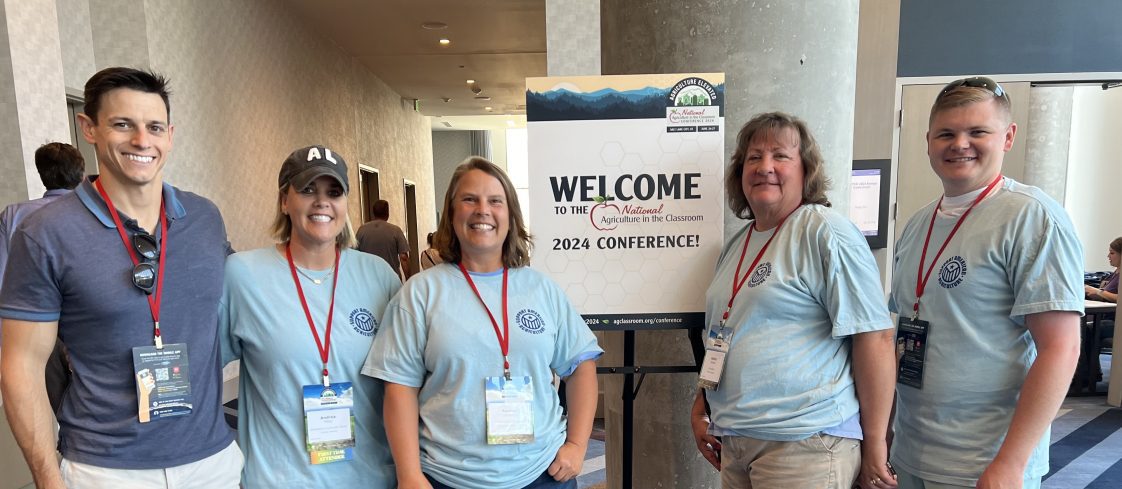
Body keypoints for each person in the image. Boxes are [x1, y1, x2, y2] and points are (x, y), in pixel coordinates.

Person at [0, 67, 241, 489]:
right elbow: (21, 366)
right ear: (88, 128)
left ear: (170, 134)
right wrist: (47, 478)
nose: (142, 141)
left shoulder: (204, 218)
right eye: (122, 124)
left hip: (211, 461)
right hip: (105, 470)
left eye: (154, 127)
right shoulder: (45, 233)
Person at [889, 77, 1083, 489]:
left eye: (978, 131)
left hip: (985, 462)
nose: (960, 143)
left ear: (1007, 137)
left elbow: (1061, 348)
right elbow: (903, 333)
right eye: (946, 133)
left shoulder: (1032, 218)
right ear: (928, 141)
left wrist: (1011, 463)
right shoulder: (917, 224)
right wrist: (884, 431)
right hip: (911, 450)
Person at [363, 156, 602, 489]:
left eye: (495, 201)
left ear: (510, 215)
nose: (482, 210)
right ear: (451, 212)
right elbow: (399, 387)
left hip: (541, 475)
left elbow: (581, 365)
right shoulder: (420, 293)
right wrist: (409, 475)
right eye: (469, 199)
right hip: (448, 478)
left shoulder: (541, 289)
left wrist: (577, 445)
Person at [688, 112, 897, 489]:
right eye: (753, 157)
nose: (765, 167)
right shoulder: (738, 243)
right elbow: (731, 333)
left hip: (805, 442)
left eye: (780, 156)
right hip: (737, 441)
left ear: (806, 170)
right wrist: (704, 402)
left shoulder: (825, 231)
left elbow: (875, 337)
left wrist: (876, 444)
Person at [219, 145, 400, 487]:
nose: (322, 202)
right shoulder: (243, 275)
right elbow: (201, 368)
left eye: (334, 192)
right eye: (307, 190)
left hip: (371, 478)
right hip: (280, 479)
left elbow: (407, 382)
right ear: (284, 202)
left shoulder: (380, 277)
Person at [0, 142, 85, 412]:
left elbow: (4, 278)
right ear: (81, 174)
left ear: (42, 174)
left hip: (35, 321)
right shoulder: (95, 213)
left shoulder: (13, 215)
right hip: (85, 319)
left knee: (52, 400)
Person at [356, 199, 411, 281]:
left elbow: (355, 256)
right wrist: (408, 279)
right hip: (391, 279)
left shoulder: (361, 230)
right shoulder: (395, 231)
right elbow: (403, 258)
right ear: (387, 213)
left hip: (368, 279)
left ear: (373, 213)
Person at [1085, 237, 1120, 303]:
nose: (1108, 256)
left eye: (1112, 253)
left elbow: (1119, 298)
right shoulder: (1115, 273)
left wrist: (1098, 292)